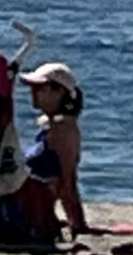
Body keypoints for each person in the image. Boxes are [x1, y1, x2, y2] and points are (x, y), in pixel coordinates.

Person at [12, 63, 89, 243]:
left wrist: (77, 223)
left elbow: (67, 180)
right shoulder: (51, 125)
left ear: (58, 92)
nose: (32, 92)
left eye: (39, 88)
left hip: (30, 212)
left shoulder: (63, 128)